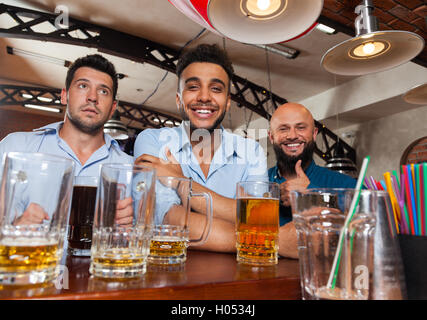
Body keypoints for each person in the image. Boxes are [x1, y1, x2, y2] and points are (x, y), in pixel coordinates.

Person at [134, 43, 268, 252]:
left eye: (216, 88)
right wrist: (256, 236)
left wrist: (184, 185)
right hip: (168, 276)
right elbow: (169, 219)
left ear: (228, 102)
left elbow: (259, 220)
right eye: (193, 87)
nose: (204, 97)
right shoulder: (152, 142)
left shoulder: (252, 151)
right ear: (179, 99)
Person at [0, 54, 133, 226]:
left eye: (103, 91)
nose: (92, 97)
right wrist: (13, 230)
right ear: (65, 96)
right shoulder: (15, 148)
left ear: (112, 108)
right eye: (83, 86)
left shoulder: (131, 170)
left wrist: (125, 234)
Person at [268, 102, 357, 258]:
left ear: (314, 134)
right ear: (271, 136)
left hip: (326, 279)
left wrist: (312, 195)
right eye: (283, 129)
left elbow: (365, 239)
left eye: (301, 127)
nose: (292, 135)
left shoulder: (347, 185)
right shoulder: (255, 183)